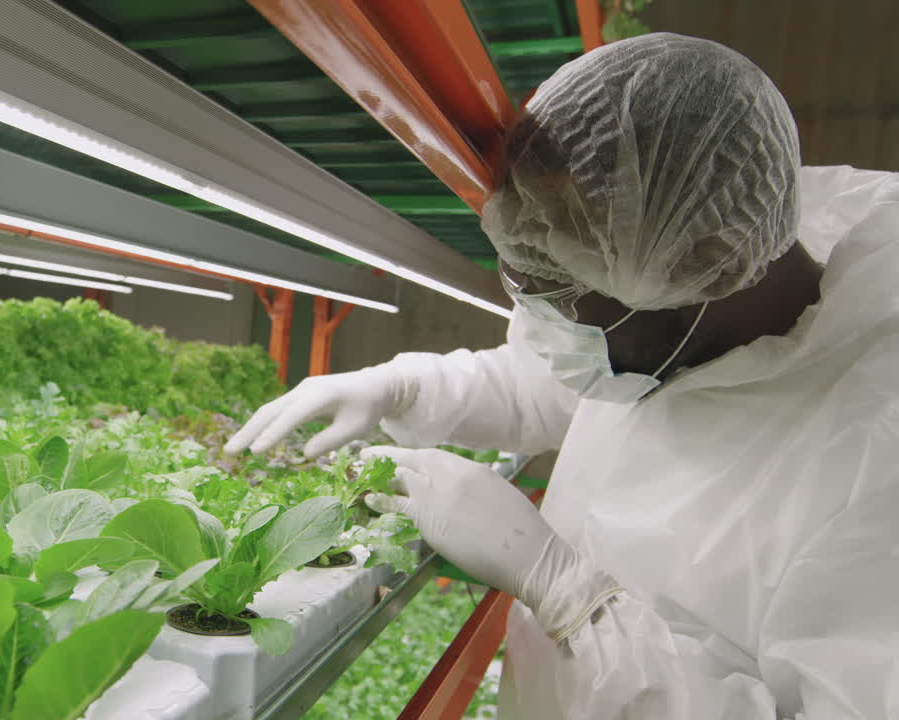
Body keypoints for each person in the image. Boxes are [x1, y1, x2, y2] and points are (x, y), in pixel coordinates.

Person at [226, 33, 899, 719]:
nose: (538, 328)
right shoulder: (683, 316)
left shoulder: (876, 450)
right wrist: (409, 386)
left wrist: (567, 595)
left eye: (563, 297)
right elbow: (563, 380)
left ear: (714, 264)